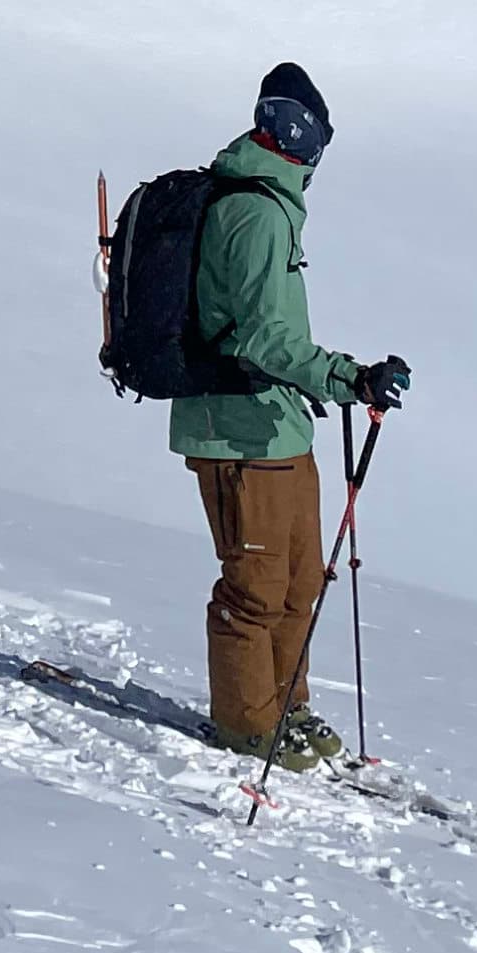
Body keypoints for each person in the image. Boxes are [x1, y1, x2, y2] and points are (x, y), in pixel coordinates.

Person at [170, 60, 408, 765]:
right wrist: (347, 378)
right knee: (256, 589)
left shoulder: (269, 206)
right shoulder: (254, 213)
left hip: (278, 427)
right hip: (238, 430)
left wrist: (339, 382)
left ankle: (285, 707)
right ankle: (247, 723)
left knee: (300, 581)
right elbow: (261, 338)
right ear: (301, 138)